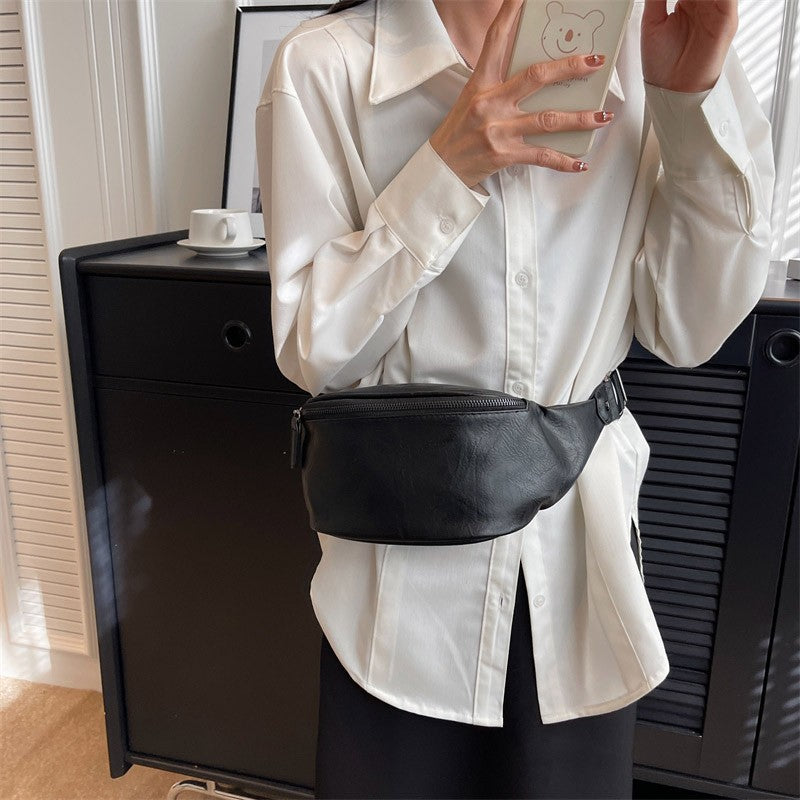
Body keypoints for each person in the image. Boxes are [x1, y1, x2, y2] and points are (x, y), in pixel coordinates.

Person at [255, 0, 774, 797]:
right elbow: (314, 351)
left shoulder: (640, 50)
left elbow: (687, 328)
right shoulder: (325, 64)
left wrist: (689, 99)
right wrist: (446, 169)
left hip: (580, 567)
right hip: (398, 583)